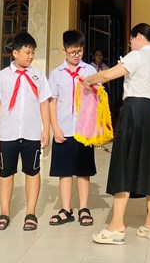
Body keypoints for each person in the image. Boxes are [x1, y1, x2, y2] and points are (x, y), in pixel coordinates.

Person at [83, 23, 150, 244]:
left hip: (134, 110)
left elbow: (108, 75)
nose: (130, 43)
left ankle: (116, 226)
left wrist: (88, 80)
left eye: (131, 39)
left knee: (123, 164)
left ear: (138, 36)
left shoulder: (137, 56)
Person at [0, 32, 52, 232]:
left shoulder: (38, 75)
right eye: (27, 52)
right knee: (6, 172)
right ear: (15, 53)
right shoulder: (2, 77)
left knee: (32, 171)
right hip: (8, 133)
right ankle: (4, 212)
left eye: (33, 53)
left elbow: (44, 103)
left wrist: (46, 128)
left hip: (31, 133)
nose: (31, 56)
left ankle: (31, 212)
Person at [47, 29, 98, 228]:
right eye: (72, 52)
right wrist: (55, 127)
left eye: (79, 51)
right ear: (64, 51)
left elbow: (97, 100)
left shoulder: (90, 71)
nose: (76, 55)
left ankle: (84, 208)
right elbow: (52, 102)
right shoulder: (56, 74)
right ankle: (66, 209)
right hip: (64, 128)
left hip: (84, 129)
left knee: (83, 170)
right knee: (64, 171)